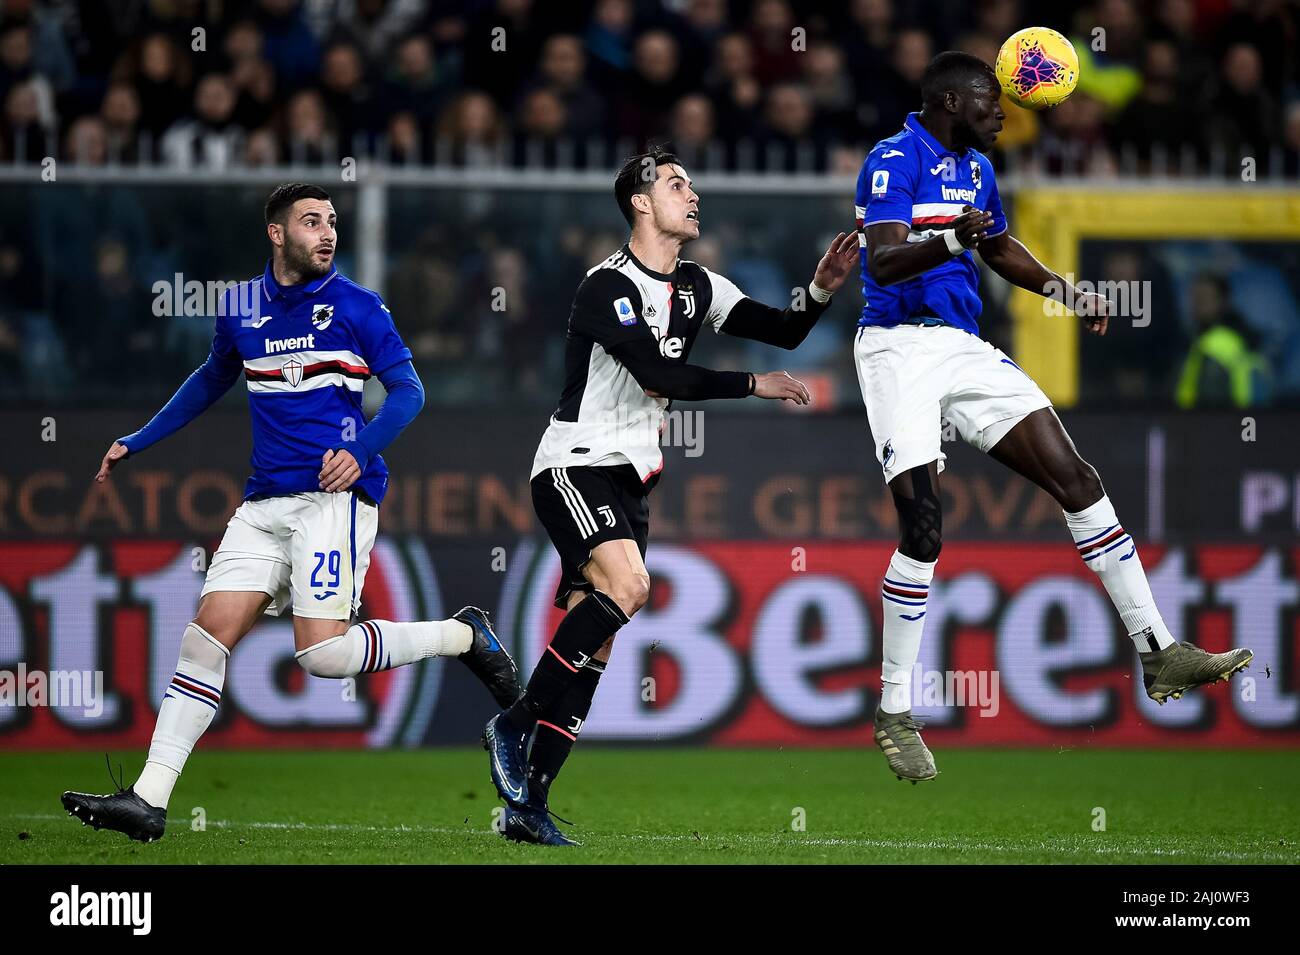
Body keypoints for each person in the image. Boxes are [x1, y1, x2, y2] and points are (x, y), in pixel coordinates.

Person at [61, 183, 521, 842]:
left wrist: (361, 450)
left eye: (332, 221)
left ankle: (463, 636)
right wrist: (140, 436)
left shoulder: (359, 307)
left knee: (324, 657)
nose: (327, 232)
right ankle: (148, 799)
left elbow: (409, 392)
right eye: (312, 221)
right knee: (204, 637)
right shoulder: (240, 306)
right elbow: (211, 378)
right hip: (264, 502)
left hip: (333, 501)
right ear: (276, 233)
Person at [854, 53, 1253, 783]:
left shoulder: (976, 170)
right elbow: (880, 263)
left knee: (1078, 477)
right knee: (923, 529)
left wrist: (1065, 290)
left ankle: (1158, 648)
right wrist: (950, 239)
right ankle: (894, 708)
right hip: (896, 350)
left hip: (964, 346)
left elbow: (998, 244)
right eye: (989, 101)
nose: (1003, 113)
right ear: (949, 100)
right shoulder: (892, 158)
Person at [485, 148, 859, 844]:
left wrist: (820, 290)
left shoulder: (696, 285)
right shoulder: (606, 287)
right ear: (639, 202)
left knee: (593, 649)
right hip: (575, 462)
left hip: (632, 478)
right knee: (629, 585)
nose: (692, 194)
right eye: (676, 183)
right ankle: (510, 723)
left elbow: (785, 328)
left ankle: (527, 807)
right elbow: (661, 374)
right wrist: (755, 385)